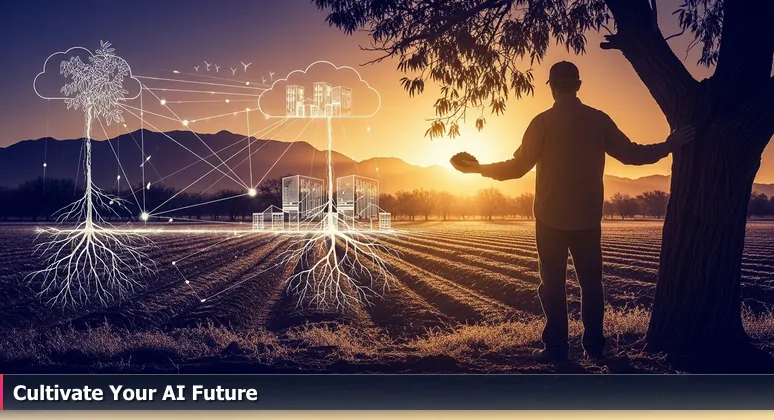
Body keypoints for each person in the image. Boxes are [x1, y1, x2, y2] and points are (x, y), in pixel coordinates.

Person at [450, 61, 694, 363]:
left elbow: (516, 168)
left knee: (552, 286)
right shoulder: (598, 120)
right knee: (591, 286)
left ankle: (555, 349)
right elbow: (632, 154)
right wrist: (669, 145)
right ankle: (595, 347)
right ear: (578, 86)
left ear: (552, 87)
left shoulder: (542, 122)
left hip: (549, 219)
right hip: (587, 218)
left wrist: (476, 169)